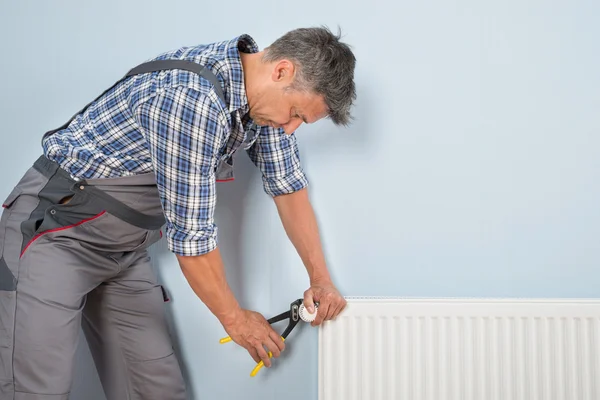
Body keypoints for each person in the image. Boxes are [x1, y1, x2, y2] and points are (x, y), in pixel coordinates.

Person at [0, 26, 356, 399]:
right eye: (296, 113)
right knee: (37, 390)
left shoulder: (262, 103)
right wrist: (235, 319)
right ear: (282, 71)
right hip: (55, 235)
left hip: (124, 250)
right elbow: (192, 238)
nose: (290, 129)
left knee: (157, 390)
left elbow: (289, 188)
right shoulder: (194, 100)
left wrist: (321, 278)